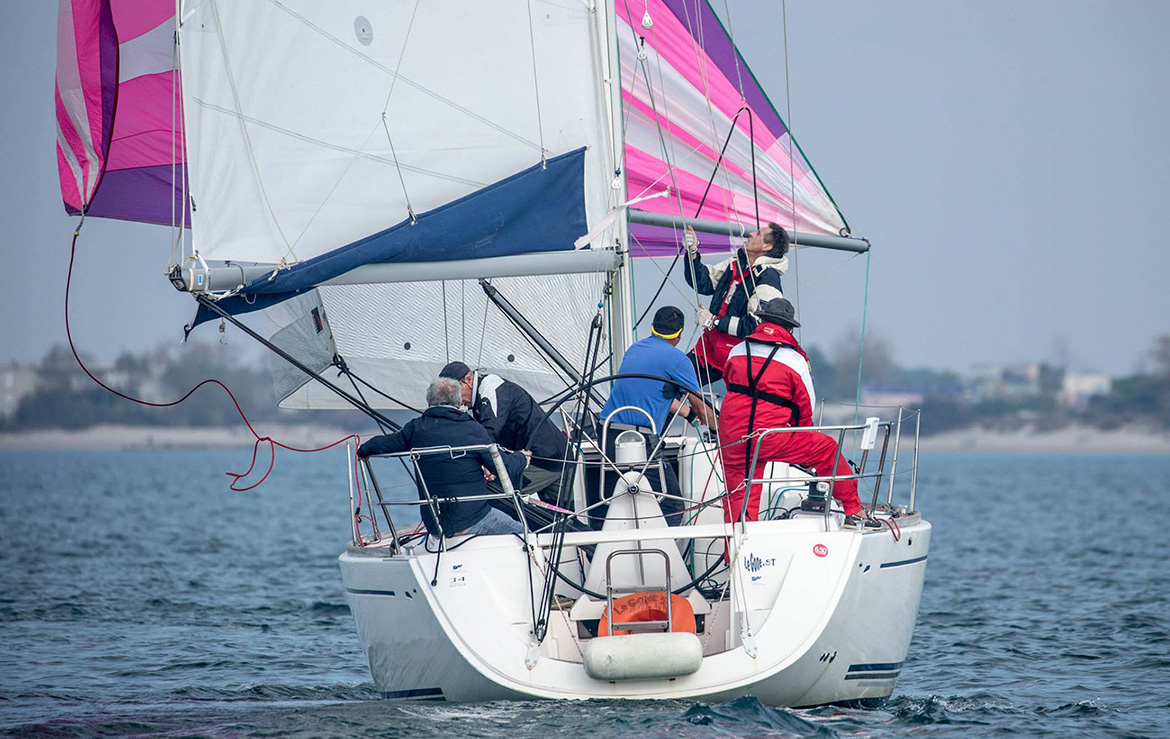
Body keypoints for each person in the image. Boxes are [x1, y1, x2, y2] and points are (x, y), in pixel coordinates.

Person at [717, 298, 863, 524]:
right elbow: (805, 408)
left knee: (739, 497)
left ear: (762, 321)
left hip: (731, 434)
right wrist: (799, 434)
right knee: (826, 449)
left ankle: (737, 554)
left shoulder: (737, 350)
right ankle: (853, 509)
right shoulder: (794, 359)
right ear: (788, 328)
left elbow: (730, 384)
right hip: (769, 436)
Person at [357, 377, 528, 537]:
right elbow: (502, 467)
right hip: (473, 520)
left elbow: (383, 444)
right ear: (459, 402)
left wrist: (364, 450)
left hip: (436, 526)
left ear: (429, 402)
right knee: (526, 535)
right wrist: (522, 457)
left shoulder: (416, 429)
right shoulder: (472, 429)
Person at [595, 306, 718, 526]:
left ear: (653, 327)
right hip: (638, 441)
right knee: (671, 506)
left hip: (607, 433)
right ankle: (661, 559)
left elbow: (655, 392)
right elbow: (702, 408)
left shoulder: (635, 349)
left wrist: (687, 414)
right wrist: (720, 429)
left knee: (620, 504)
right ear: (679, 335)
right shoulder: (679, 361)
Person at [438, 361, 573, 508]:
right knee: (559, 520)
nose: (455, 401)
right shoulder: (481, 396)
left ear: (468, 380)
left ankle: (517, 529)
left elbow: (489, 433)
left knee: (495, 496)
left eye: (454, 393)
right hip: (551, 456)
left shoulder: (491, 388)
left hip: (545, 459)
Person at [682, 222, 789, 385]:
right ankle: (692, 411)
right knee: (672, 382)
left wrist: (713, 321)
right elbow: (704, 283)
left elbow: (756, 325)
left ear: (767, 246)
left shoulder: (768, 279)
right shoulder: (736, 264)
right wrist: (693, 253)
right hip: (709, 348)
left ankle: (696, 411)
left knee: (677, 385)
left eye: (758, 234)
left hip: (737, 356)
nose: (751, 234)